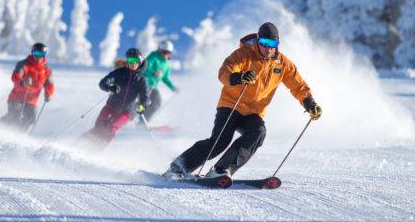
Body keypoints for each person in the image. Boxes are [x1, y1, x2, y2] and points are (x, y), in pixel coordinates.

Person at [163, 22, 322, 179]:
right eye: (265, 43)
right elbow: (224, 72)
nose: (269, 48)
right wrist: (238, 77)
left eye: (273, 43)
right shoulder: (243, 54)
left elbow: (298, 85)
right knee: (220, 141)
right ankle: (179, 167)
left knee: (258, 133)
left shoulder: (282, 63)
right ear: (258, 41)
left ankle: (221, 170)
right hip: (232, 104)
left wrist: (309, 102)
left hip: (254, 111)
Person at [82, 47, 150, 148]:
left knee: (111, 128)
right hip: (111, 106)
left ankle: (96, 149)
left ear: (140, 62)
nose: (132, 63)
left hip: (126, 112)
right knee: (99, 126)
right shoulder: (120, 73)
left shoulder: (141, 79)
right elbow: (102, 83)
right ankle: (80, 143)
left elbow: (145, 97)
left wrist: (142, 105)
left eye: (135, 61)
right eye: (130, 60)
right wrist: (111, 87)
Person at [1, 42, 55, 131]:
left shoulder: (46, 69)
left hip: (31, 101)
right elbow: (15, 77)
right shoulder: (24, 64)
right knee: (14, 117)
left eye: (41, 54)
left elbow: (50, 83)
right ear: (32, 52)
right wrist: (23, 82)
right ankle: (0, 126)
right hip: (17, 98)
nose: (38, 57)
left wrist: (49, 93)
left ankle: (20, 134)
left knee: (31, 119)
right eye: (36, 53)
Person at [141, 39, 179, 123]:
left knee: (157, 103)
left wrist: (173, 88)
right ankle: (139, 120)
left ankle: (143, 122)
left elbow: (165, 78)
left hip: (153, 87)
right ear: (159, 50)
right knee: (144, 102)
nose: (166, 54)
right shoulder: (153, 56)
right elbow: (144, 67)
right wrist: (153, 72)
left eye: (168, 53)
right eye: (164, 52)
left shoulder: (166, 63)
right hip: (144, 84)